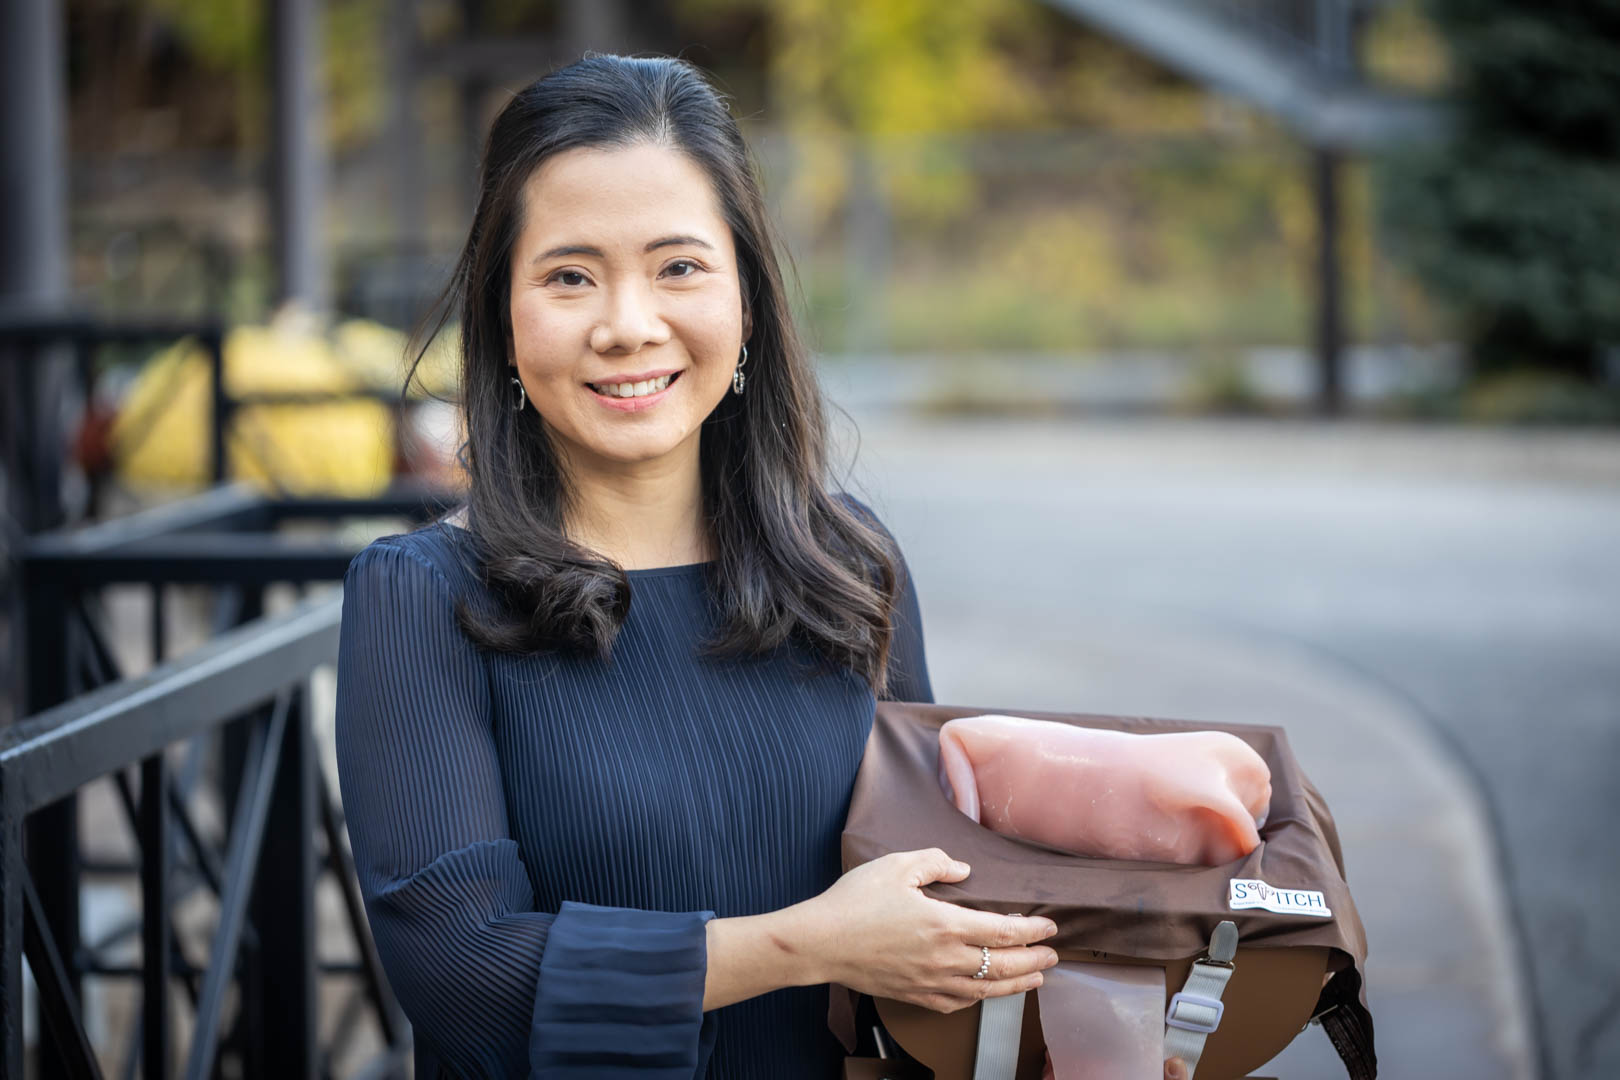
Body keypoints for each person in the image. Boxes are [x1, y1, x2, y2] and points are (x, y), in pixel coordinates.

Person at [335, 53, 1185, 1079]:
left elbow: (927, 910)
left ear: (746, 303)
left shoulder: (846, 565)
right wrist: (810, 943)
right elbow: (462, 974)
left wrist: (1065, 1033)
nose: (628, 325)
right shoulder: (424, 598)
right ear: (504, 321)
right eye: (569, 275)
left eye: (679, 267)